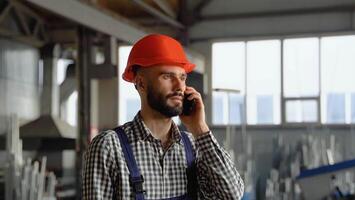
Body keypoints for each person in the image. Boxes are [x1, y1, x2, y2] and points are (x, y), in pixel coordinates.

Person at [82, 34, 244, 200]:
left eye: (182, 77)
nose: (179, 86)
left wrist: (200, 128)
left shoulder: (194, 146)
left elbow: (231, 195)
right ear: (141, 83)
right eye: (167, 76)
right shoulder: (109, 148)